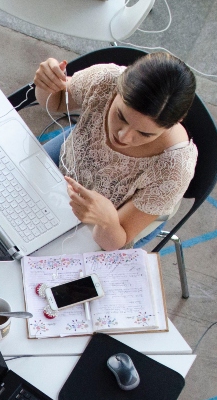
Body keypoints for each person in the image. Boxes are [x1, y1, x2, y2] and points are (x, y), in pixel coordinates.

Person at [33, 52, 198, 251]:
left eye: (144, 134)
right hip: (67, 160)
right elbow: (56, 102)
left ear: (173, 124)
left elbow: (115, 242)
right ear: (117, 89)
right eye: (121, 116)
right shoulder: (104, 81)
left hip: (113, 222)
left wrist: (106, 220)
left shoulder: (174, 169)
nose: (123, 136)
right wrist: (46, 84)